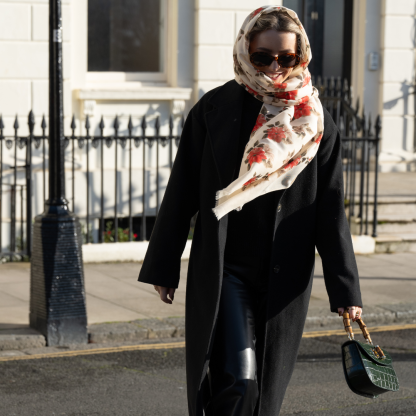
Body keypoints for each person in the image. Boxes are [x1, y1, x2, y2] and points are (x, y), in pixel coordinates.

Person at [138, 6, 362, 416]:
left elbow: (331, 209)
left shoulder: (316, 121)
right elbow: (183, 189)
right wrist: (163, 265)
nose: (275, 67)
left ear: (301, 57)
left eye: (286, 58)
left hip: (285, 275)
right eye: (263, 57)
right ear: (245, 51)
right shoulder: (213, 109)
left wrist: (346, 290)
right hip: (228, 270)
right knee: (240, 380)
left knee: (264, 393)